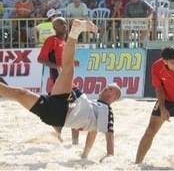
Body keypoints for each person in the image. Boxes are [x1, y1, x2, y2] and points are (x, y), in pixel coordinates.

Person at [0, 19, 122, 158]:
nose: (106, 87)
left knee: (67, 70)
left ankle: (76, 31)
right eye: (108, 86)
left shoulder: (107, 111)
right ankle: (76, 31)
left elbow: (105, 135)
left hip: (59, 114)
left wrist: (106, 156)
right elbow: (93, 131)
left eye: (111, 89)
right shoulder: (93, 104)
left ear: (114, 98)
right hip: (60, 100)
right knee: (19, 93)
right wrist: (85, 155)